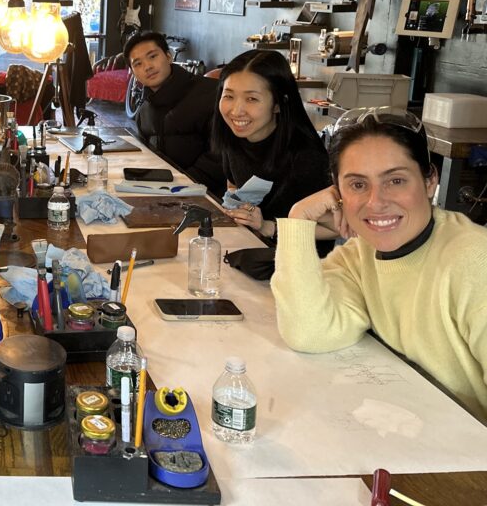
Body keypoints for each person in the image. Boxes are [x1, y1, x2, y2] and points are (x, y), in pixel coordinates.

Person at [271, 107, 487, 422]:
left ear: (429, 181)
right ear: (337, 191)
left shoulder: (473, 261)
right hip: (421, 434)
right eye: (358, 185)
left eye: (395, 180)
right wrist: (299, 218)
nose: (376, 201)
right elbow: (308, 332)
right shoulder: (359, 257)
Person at [212, 49, 333, 246]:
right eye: (229, 96)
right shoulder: (235, 137)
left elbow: (333, 229)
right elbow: (233, 183)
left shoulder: (306, 157)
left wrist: (266, 227)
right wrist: (236, 205)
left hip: (297, 259)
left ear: (278, 103)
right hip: (251, 245)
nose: (236, 110)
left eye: (251, 99)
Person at [124, 31, 223, 193]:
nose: (148, 67)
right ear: (133, 73)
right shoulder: (144, 110)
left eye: (153, 56)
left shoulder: (208, 94)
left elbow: (219, 157)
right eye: (138, 64)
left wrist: (181, 185)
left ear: (169, 57)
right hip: (164, 191)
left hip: (205, 193)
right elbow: (147, 157)